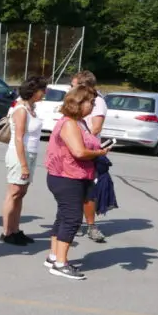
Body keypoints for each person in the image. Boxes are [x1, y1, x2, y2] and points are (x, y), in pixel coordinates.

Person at [44, 84, 111, 280]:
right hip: (66, 177)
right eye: (90, 102)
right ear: (78, 103)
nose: (92, 106)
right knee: (72, 218)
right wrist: (100, 153)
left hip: (73, 176)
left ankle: (54, 256)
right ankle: (60, 264)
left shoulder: (79, 122)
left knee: (63, 216)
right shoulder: (69, 124)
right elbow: (79, 152)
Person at [0, 76, 48, 245]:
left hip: (31, 154)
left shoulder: (30, 107)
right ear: (33, 91)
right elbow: (19, 139)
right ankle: (6, 231)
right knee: (13, 193)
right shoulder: (21, 109)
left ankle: (15, 229)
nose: (44, 93)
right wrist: (23, 165)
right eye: (42, 90)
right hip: (19, 155)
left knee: (21, 194)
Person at [71, 70, 109, 243]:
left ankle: (91, 226)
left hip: (88, 151)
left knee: (88, 190)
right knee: (74, 188)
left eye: (74, 85)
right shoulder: (79, 100)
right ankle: (74, 222)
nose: (71, 89)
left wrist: (84, 143)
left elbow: (96, 128)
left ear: (84, 86)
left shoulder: (98, 102)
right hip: (76, 148)